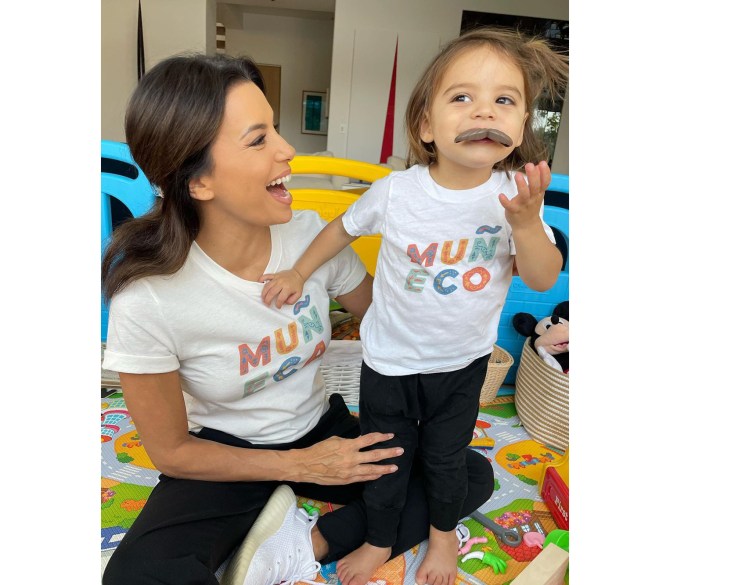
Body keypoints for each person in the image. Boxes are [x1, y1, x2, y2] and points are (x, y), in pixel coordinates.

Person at [100, 52, 495, 585]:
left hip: (318, 426)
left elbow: (388, 319)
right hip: (224, 451)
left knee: (466, 472)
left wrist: (453, 264)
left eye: (277, 130)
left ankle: (305, 544)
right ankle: (288, 514)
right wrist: (299, 468)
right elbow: (172, 451)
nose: (288, 150)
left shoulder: (311, 237)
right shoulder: (148, 298)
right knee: (140, 576)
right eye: (259, 139)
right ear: (197, 182)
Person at [260, 27, 569, 585]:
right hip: (390, 364)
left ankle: (443, 537)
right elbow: (339, 229)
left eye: (505, 100)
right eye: (462, 97)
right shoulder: (397, 192)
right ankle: (380, 538)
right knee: (386, 460)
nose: (485, 111)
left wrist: (526, 223)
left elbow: (544, 277)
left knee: (448, 460)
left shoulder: (514, 198)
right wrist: (299, 271)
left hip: (463, 364)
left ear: (521, 125)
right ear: (426, 126)